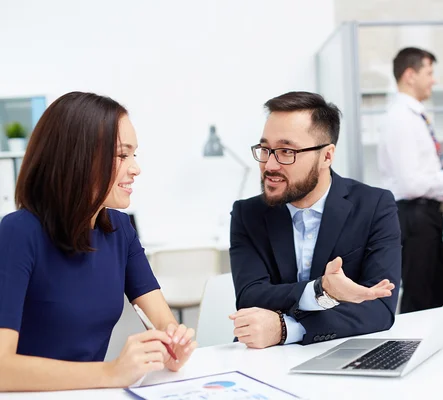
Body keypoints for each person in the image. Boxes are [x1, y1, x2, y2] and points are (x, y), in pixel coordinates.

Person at [0, 92, 197, 391]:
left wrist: (173, 346)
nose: (135, 168)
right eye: (121, 155)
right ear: (77, 156)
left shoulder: (120, 230)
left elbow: (163, 322)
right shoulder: (19, 232)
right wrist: (110, 373)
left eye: (134, 155)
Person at [228, 91, 401, 348]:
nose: (270, 165)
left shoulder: (374, 206)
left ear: (327, 156)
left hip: (341, 349)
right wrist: (323, 290)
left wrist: (288, 329)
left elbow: (379, 307)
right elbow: (250, 297)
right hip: (264, 355)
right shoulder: (247, 214)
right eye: (266, 149)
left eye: (287, 151)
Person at [378, 47, 443, 313]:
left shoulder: (414, 116)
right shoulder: (401, 119)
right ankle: (406, 353)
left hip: (425, 216)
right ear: (410, 75)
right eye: (429, 73)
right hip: (414, 215)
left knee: (439, 296)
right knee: (420, 298)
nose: (434, 80)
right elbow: (409, 184)